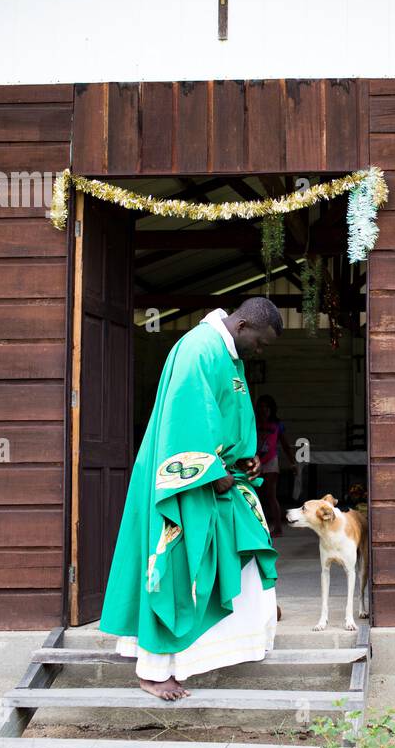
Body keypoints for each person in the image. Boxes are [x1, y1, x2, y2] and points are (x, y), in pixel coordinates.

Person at [100, 298, 284, 701]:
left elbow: (231, 413)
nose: (260, 350)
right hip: (188, 479)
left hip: (220, 477)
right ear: (244, 324)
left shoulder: (228, 352)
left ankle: (237, 645)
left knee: (248, 548)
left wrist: (247, 458)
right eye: (261, 341)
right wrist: (214, 473)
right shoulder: (199, 348)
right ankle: (152, 670)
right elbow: (184, 418)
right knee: (176, 568)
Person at [254, 395, 295, 538]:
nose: (264, 410)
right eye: (261, 406)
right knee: (255, 496)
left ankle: (278, 528)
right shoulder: (253, 423)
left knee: (271, 495)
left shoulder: (277, 425)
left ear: (272, 409)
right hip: (255, 460)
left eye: (267, 407)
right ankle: (257, 528)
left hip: (271, 461)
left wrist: (292, 462)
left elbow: (285, 445)